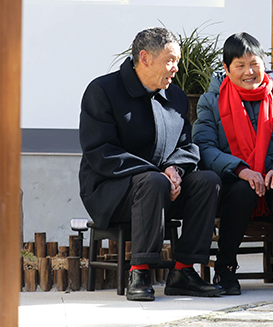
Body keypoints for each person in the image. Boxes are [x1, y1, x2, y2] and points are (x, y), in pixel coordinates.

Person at [78, 27, 222, 302]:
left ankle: (183, 271)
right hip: (111, 191)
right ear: (145, 58)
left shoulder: (176, 97)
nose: (176, 68)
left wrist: (175, 170)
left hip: (163, 188)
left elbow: (187, 147)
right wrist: (158, 173)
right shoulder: (103, 91)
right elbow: (100, 151)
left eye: (177, 61)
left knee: (208, 181)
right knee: (153, 182)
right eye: (170, 61)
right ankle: (139, 273)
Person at [193, 32, 273, 296]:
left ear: (263, 64)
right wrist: (240, 169)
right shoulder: (210, 101)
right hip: (234, 182)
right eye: (240, 65)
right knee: (242, 192)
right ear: (227, 68)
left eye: (254, 64)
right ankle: (225, 269)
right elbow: (204, 147)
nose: (249, 72)